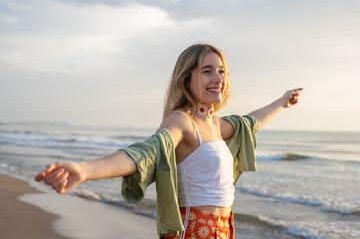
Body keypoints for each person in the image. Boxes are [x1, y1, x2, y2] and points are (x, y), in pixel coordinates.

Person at [35, 43, 302, 239]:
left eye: (221, 71)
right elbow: (145, 153)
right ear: (187, 79)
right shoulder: (181, 122)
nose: (218, 79)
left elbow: (250, 122)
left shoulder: (216, 124)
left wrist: (282, 102)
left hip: (225, 227)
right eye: (207, 71)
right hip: (193, 229)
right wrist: (84, 170)